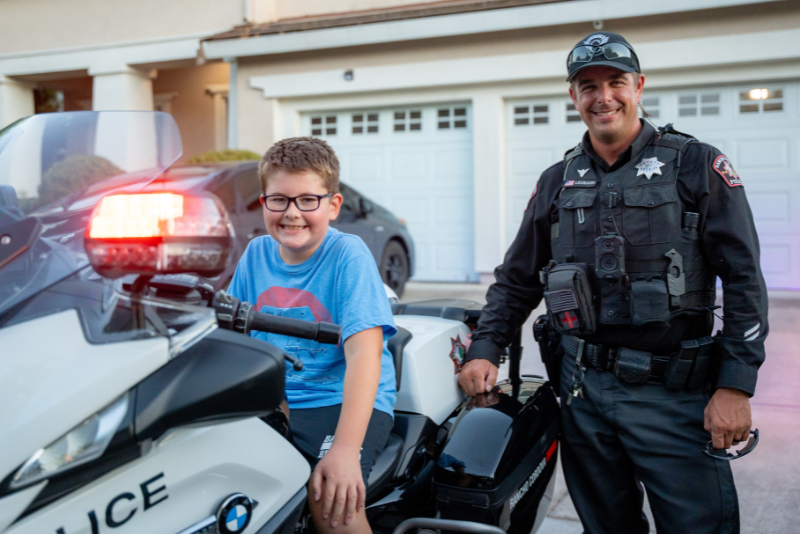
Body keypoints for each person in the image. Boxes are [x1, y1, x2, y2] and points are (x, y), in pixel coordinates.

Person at [459, 31, 767, 534]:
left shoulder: (696, 164)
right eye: (588, 86)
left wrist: (736, 385)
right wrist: (485, 347)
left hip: (674, 393)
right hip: (583, 392)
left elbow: (744, 279)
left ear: (639, 86)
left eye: (616, 82)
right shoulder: (557, 180)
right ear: (573, 96)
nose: (603, 97)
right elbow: (517, 278)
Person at [228, 137, 397, 534]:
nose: (292, 213)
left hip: (340, 398)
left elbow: (365, 355)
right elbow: (233, 336)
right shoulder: (255, 254)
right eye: (279, 200)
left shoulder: (348, 254)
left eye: (307, 200)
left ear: (333, 206)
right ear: (263, 202)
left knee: (330, 500)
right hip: (278, 399)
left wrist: (345, 450)